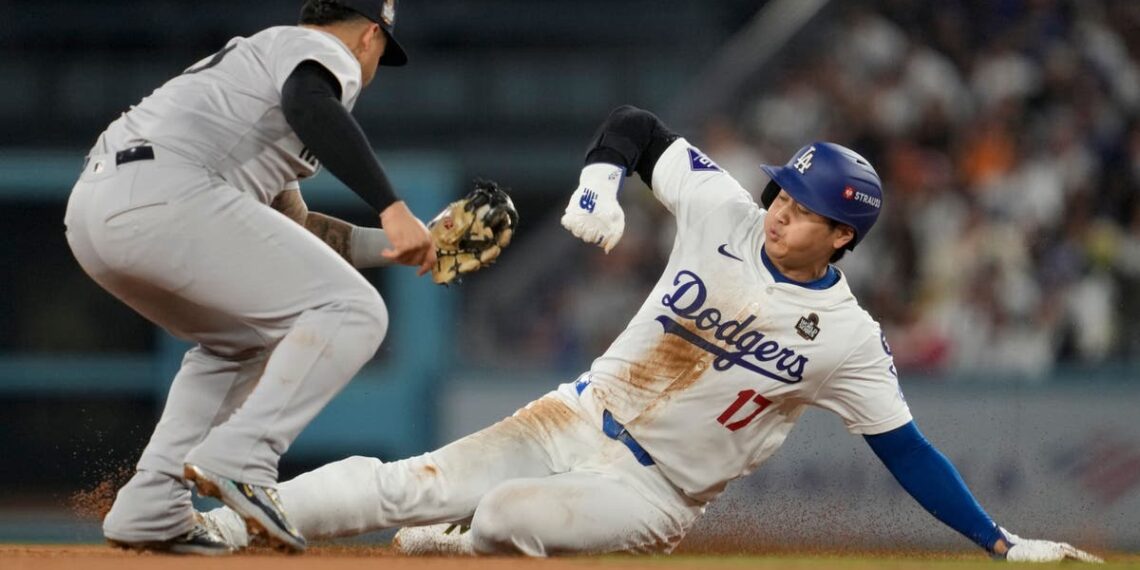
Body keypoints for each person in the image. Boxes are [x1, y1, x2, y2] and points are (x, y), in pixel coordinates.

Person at [200, 106, 1101, 562]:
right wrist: (598, 183)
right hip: (577, 415)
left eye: (807, 207)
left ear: (844, 236)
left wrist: (1000, 542)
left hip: (655, 493)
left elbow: (908, 454)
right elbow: (634, 129)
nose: (784, 207)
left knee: (508, 517)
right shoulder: (721, 208)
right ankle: (229, 527)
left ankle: (465, 540)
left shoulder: (847, 339)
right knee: (412, 483)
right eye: (786, 189)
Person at [64, 0, 434, 555]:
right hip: (168, 192)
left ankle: (152, 504)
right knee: (356, 311)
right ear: (370, 37)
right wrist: (391, 206)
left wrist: (404, 241)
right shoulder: (319, 54)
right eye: (382, 49)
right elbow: (311, 103)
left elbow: (295, 232)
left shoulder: (254, 80)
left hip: (101, 210)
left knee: (238, 342)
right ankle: (244, 458)